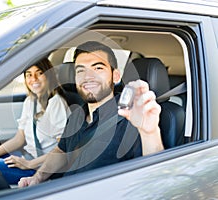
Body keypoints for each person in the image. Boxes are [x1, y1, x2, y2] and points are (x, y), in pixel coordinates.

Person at [18, 41, 164, 188]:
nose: (88, 77)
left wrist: (149, 132)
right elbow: (61, 150)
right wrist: (36, 178)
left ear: (116, 76)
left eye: (98, 68)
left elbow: (155, 179)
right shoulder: (77, 115)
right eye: (80, 71)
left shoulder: (131, 117)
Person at [0, 58, 70, 184]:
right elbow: (19, 139)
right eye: (29, 74)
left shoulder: (56, 103)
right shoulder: (31, 101)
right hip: (26, 158)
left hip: (40, 168)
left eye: (39, 73)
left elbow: (63, 150)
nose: (33, 79)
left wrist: (29, 164)